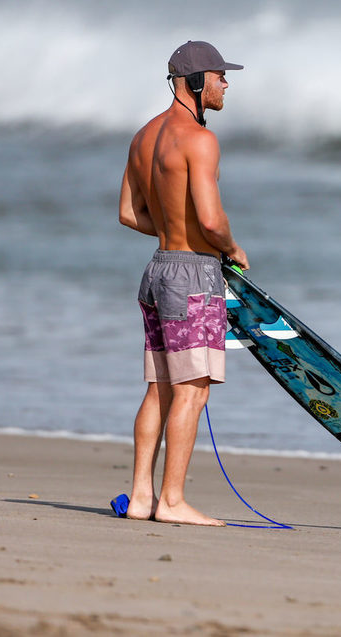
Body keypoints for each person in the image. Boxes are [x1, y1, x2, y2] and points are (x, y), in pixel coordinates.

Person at [117, 40, 249, 526]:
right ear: (194, 82)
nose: (225, 83)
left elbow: (129, 213)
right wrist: (230, 249)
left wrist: (176, 232)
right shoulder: (199, 139)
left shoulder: (143, 136)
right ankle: (172, 502)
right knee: (192, 391)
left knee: (159, 390)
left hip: (157, 270)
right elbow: (212, 222)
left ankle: (141, 498)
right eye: (218, 75)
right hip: (193, 275)